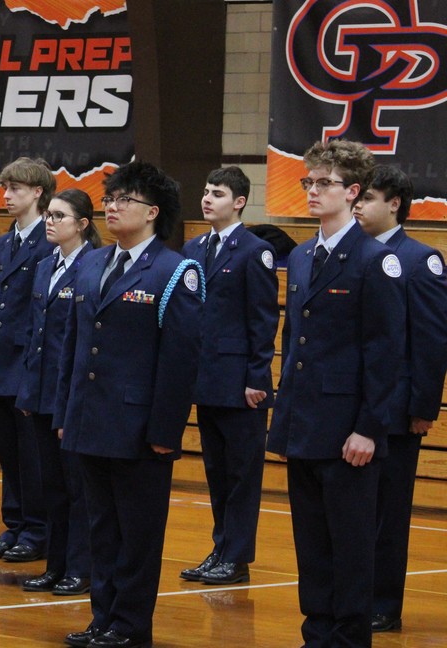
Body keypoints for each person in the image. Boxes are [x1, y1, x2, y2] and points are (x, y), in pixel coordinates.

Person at [55, 161, 203, 648]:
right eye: (110, 198)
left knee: (137, 535)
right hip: (88, 420)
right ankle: (103, 618)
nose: (113, 207)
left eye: (125, 200)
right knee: (101, 530)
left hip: (139, 427)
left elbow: (179, 361)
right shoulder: (93, 262)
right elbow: (73, 347)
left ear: (153, 212)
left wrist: (165, 432)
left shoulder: (174, 270)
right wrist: (64, 413)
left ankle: (130, 626)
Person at [267, 140, 404, 648]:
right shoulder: (302, 257)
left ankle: (348, 639)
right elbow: (295, 343)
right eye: (308, 182)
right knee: (312, 546)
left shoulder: (376, 260)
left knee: (350, 549)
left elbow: (386, 352)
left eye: (323, 183)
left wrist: (369, 427)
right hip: (306, 424)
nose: (312, 191)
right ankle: (316, 635)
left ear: (352, 191)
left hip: (350, 430)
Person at [351, 164, 447, 633]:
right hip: (356, 408)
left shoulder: (419, 259)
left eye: (368, 197)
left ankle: (384, 603)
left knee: (388, 514)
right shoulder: (353, 256)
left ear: (394, 204)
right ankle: (352, 599)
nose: (358, 205)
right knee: (355, 514)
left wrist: (423, 409)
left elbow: (429, 341)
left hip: (396, 413)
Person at [179, 166, 279, 585]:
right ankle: (220, 547)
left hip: (241, 384)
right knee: (217, 472)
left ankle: (236, 557)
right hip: (207, 379)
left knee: (241, 474)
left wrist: (257, 376)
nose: (207, 199)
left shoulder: (254, 250)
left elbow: (262, 319)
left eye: (217, 193)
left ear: (238, 202)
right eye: (205, 190)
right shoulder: (194, 247)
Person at [14, 188, 99, 596]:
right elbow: (36, 333)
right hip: (41, 391)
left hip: (71, 396)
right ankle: (56, 563)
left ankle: (80, 568)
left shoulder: (92, 266)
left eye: (59, 216)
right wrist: (29, 392)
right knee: (50, 487)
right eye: (48, 215)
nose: (49, 221)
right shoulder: (46, 265)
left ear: (82, 224)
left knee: (76, 488)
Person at [0, 157, 55, 563]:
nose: (7, 196)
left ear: (37, 192)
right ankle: (14, 523)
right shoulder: (6, 241)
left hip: (29, 362)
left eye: (16, 189)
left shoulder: (50, 240)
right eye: (5, 188)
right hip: (1, 359)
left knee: (32, 453)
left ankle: (37, 529)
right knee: (7, 449)